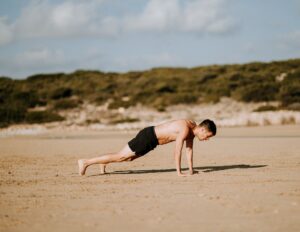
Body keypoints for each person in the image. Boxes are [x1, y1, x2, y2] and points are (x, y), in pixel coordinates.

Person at [78, 119, 216, 177]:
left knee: (128, 158)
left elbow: (189, 150)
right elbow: (177, 151)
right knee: (122, 156)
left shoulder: (192, 131)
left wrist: (191, 170)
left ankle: (103, 162)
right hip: (149, 136)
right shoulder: (185, 129)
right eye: (208, 136)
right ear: (203, 130)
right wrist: (179, 172)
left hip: (153, 141)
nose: (207, 139)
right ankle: (85, 162)